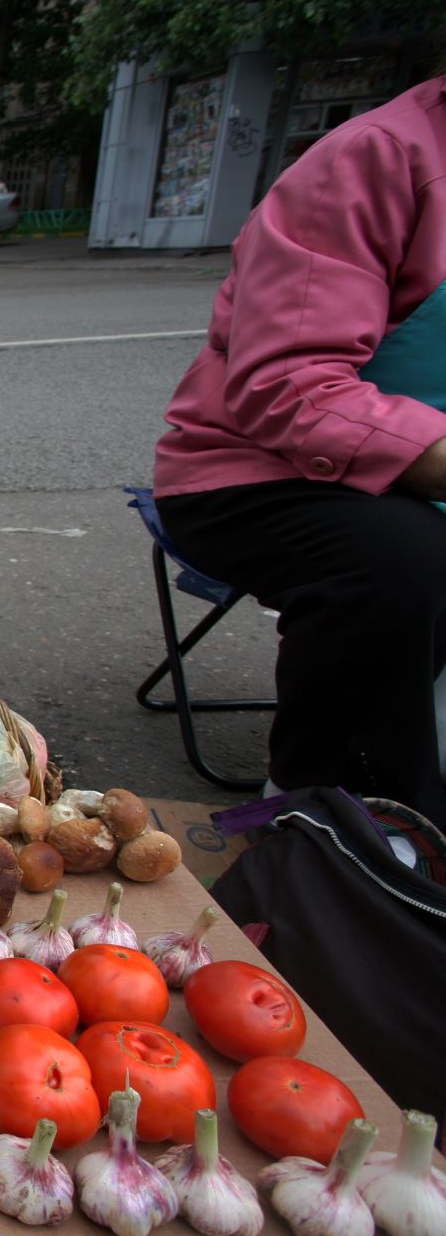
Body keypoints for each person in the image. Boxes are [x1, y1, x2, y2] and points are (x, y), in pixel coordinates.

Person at [154, 75, 446, 826]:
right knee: (403, 563)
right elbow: (287, 382)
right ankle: (335, 820)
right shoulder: (376, 160)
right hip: (256, 467)